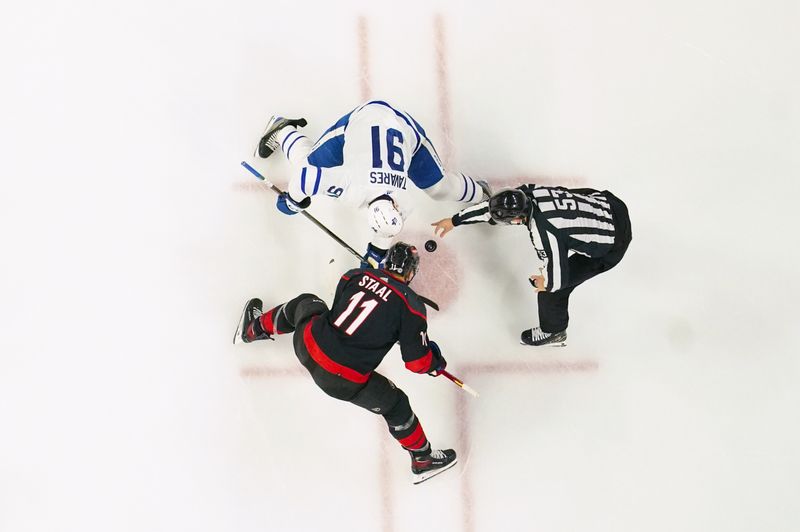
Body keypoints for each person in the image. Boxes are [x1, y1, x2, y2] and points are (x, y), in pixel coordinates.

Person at [233, 242, 458, 484]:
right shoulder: (412, 307)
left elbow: (338, 311)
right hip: (342, 381)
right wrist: (434, 362)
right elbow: (416, 362)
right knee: (397, 405)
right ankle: (422, 459)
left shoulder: (355, 275)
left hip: (307, 345)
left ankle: (252, 329)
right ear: (411, 273)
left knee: (307, 303)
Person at [254, 100, 490, 267]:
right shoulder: (359, 189)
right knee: (306, 162)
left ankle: (482, 194)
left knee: (440, 188)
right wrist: (293, 202)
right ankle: (283, 129)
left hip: (402, 128)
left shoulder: (387, 198)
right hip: (363, 123)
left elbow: (385, 230)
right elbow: (305, 176)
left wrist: (374, 255)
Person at [431, 184, 632, 346]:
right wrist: (455, 220)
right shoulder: (529, 193)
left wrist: (545, 282)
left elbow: (557, 280)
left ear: (518, 219)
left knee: (551, 293)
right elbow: (489, 210)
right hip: (611, 204)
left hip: (614, 243)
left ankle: (553, 332)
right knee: (565, 197)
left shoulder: (544, 234)